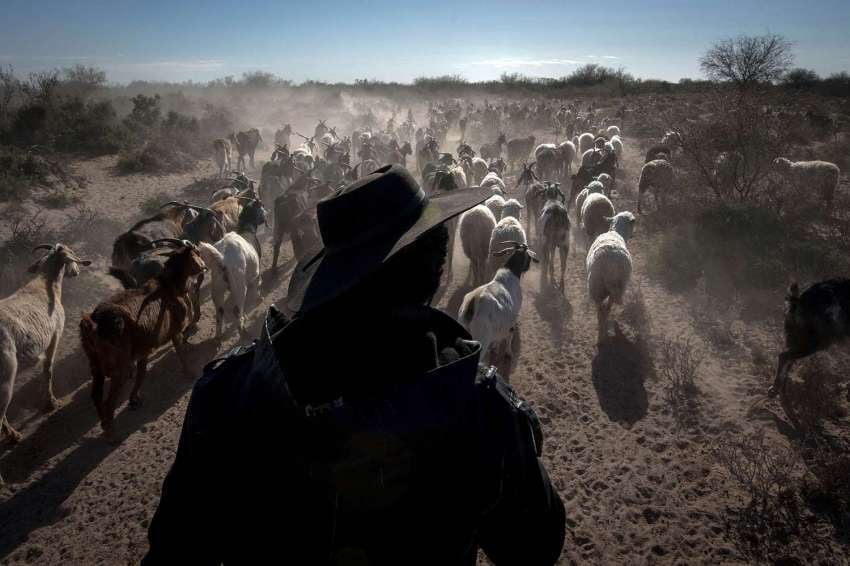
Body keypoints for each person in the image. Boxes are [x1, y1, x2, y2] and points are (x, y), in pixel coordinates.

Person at [143, 165, 566, 566]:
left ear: (331, 276)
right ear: (437, 272)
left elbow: (175, 552)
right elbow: (535, 546)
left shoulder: (227, 394)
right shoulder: (477, 406)